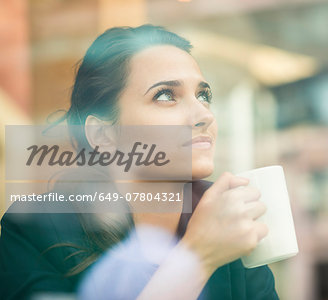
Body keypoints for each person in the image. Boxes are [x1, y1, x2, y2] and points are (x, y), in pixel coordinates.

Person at [0, 24, 279, 299]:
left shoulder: (228, 219)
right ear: (102, 134)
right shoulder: (35, 231)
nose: (204, 115)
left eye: (203, 96)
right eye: (166, 95)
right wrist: (198, 257)